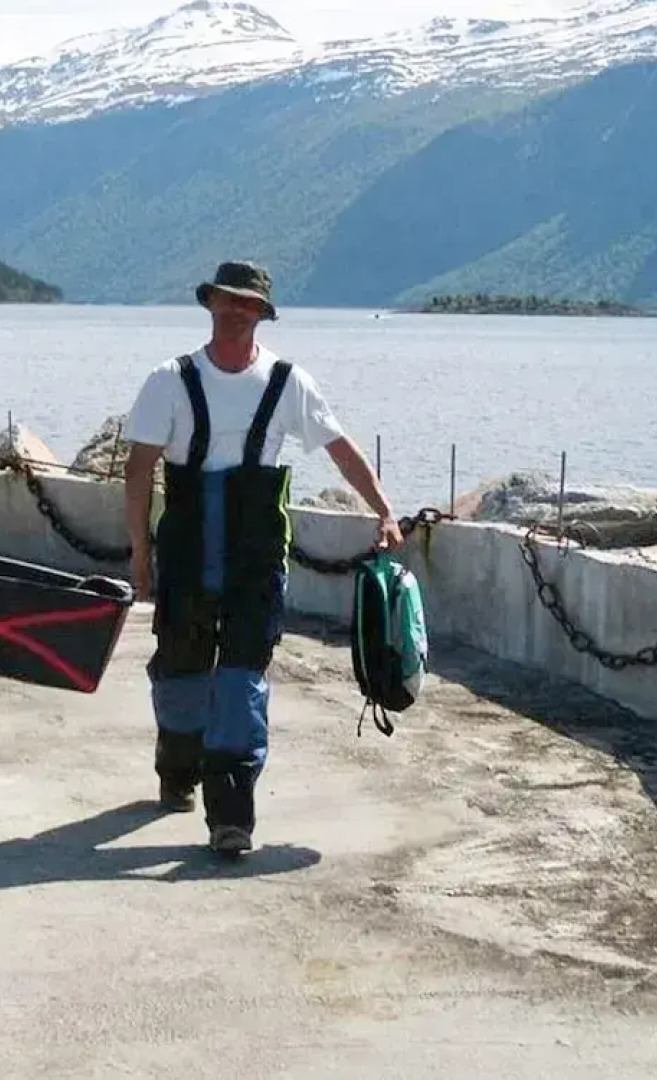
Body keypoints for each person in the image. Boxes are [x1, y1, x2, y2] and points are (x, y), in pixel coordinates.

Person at [123, 260, 403, 856]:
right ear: (210, 305)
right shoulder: (168, 380)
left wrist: (383, 508)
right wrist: (140, 556)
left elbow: (340, 448)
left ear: (261, 313)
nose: (234, 311)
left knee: (241, 682)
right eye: (226, 300)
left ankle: (232, 816)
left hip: (256, 564)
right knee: (181, 678)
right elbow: (139, 469)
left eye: (246, 303)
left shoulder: (288, 383)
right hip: (186, 556)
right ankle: (177, 768)